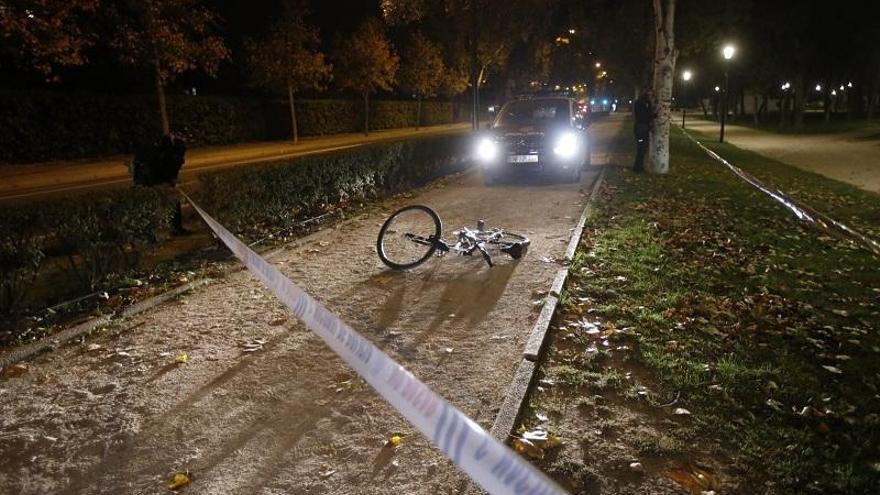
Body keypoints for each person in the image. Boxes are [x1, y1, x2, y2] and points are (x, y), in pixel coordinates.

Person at [131, 133, 188, 234]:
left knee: (150, 207)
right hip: (152, 180)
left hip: (145, 179)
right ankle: (175, 229)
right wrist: (171, 180)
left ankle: (150, 233)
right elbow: (169, 166)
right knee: (171, 202)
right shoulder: (168, 150)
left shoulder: (154, 147)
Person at [633, 90, 655, 173]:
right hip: (641, 128)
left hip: (642, 128)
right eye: (649, 95)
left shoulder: (644, 103)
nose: (650, 96)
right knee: (641, 148)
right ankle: (638, 167)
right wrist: (654, 115)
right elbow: (644, 116)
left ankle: (638, 166)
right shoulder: (641, 104)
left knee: (642, 148)